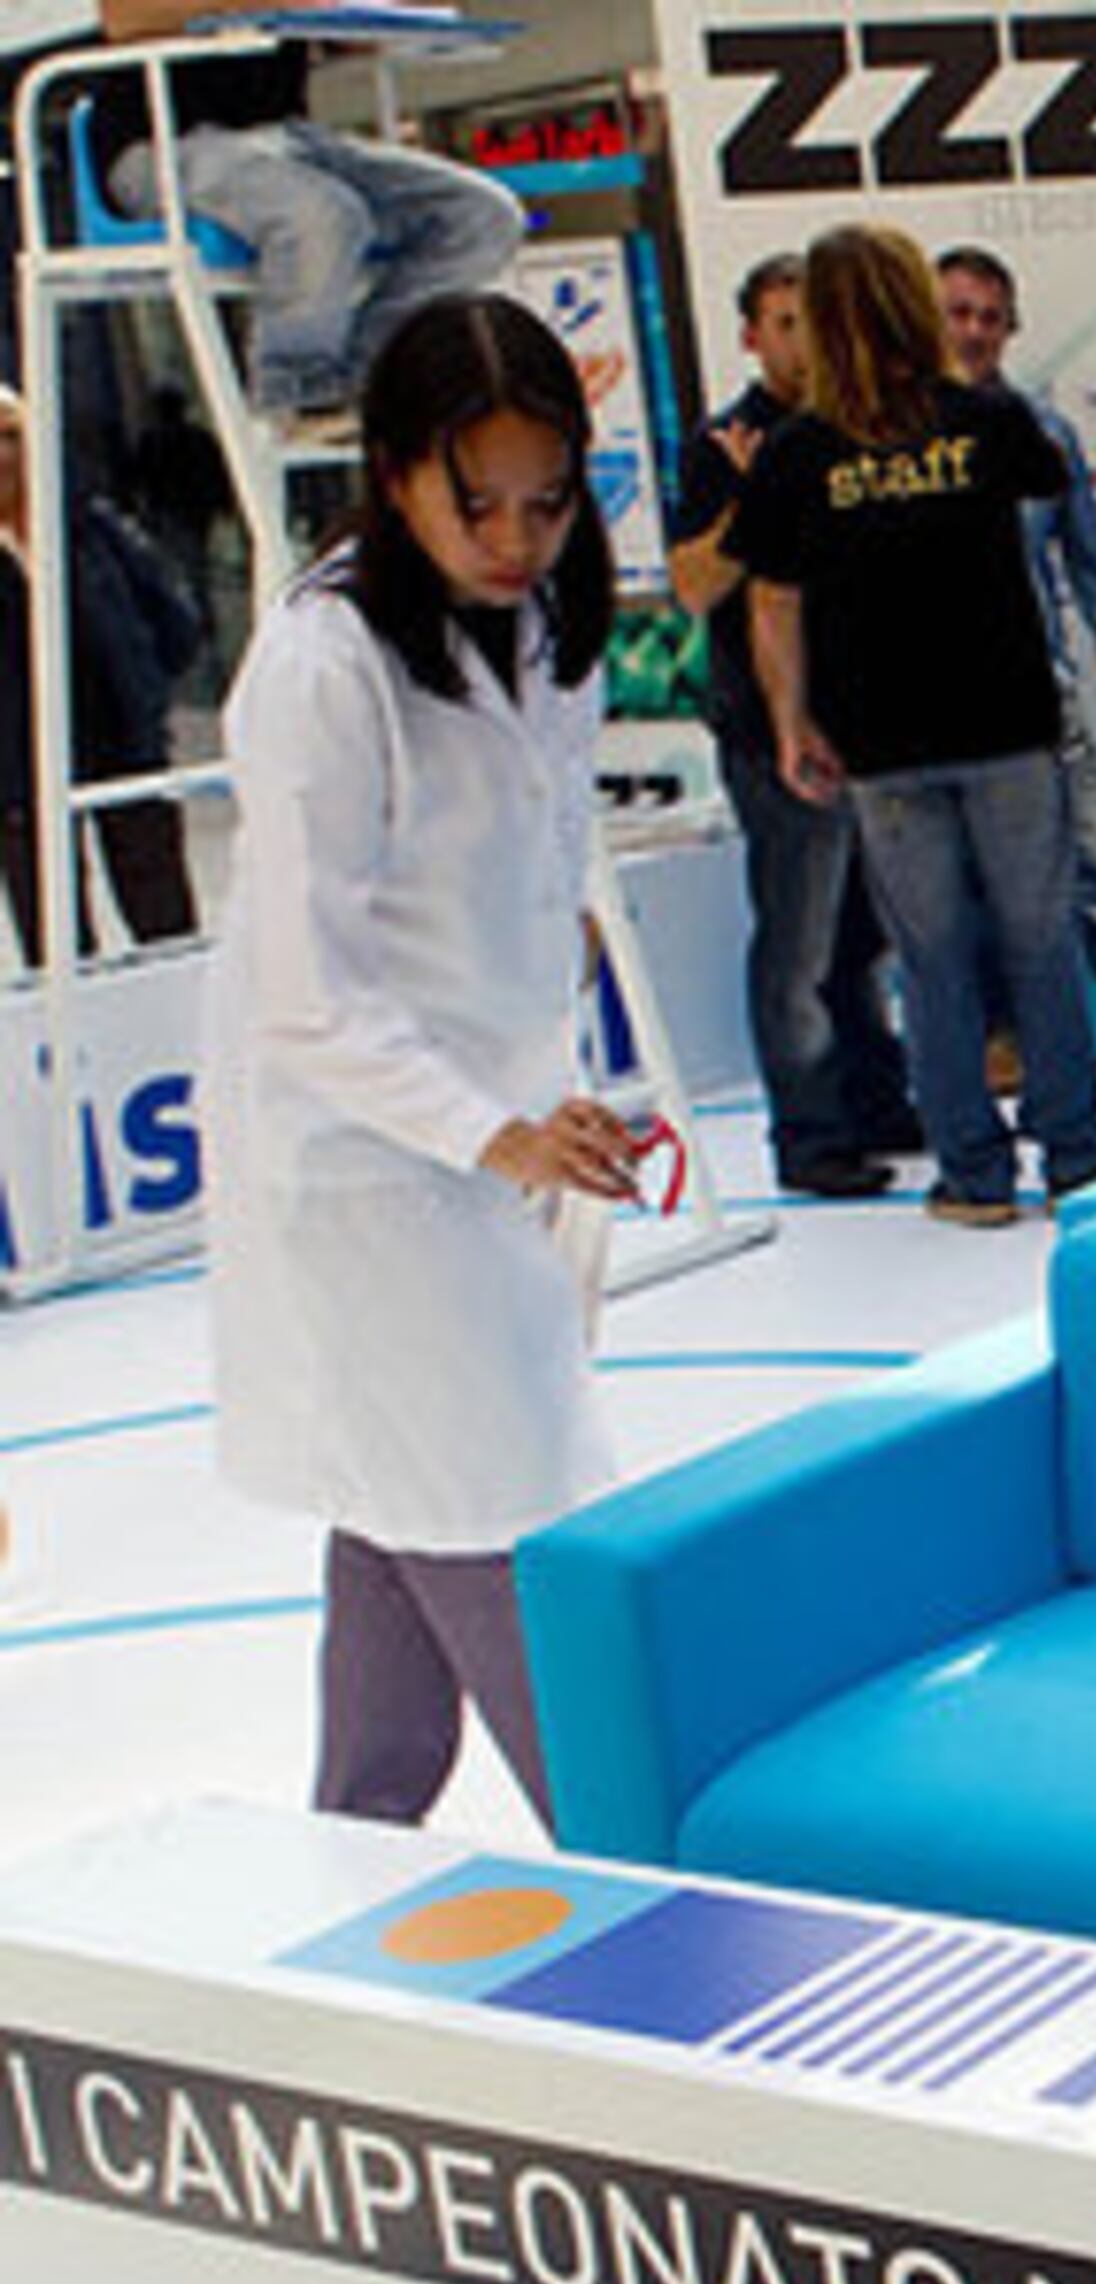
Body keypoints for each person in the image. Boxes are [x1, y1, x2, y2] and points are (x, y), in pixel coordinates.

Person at [200, 294, 628, 1828]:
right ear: (392, 475)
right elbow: (309, 999)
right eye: (477, 501)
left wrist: (551, 1085)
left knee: (402, 1506)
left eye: (548, 498)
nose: (516, 536)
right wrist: (499, 1131)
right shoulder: (324, 665)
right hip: (367, 1155)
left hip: (494, 1124)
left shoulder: (543, 619)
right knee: (494, 1497)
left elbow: (535, 868)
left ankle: (356, 1831)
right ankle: (621, 1848)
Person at [737, 224, 1096, 1227]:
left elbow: (771, 599)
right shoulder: (982, 418)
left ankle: (974, 1175)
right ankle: (1077, 1153)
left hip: (884, 744)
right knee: (1038, 942)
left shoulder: (797, 450)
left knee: (932, 959)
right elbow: (1047, 479)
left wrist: (791, 720)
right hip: (1004, 726)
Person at [667, 253, 918, 1200]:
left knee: (863, 936)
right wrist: (754, 498)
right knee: (800, 940)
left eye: (812, 320)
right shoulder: (725, 443)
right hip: (767, 728)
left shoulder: (856, 428)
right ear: (749, 335)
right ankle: (810, 1135)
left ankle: (878, 1104)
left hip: (868, 724)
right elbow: (695, 585)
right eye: (782, 324)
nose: (802, 343)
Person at [935, 244, 1096, 1087]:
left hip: (1040, 687)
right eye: (957, 312)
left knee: (1094, 855)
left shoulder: (1044, 433)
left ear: (1010, 329)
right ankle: (998, 1034)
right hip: (935, 702)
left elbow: (1093, 566)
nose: (974, 331)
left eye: (989, 316)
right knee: (971, 878)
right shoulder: (890, 439)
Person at [92, 2, 522, 427]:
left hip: (286, 137)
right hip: (163, 142)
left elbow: (343, 38)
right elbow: (122, 17)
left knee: (481, 216)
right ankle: (297, 390)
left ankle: (372, 377)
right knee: (326, 216)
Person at [0, 382, 202, 962]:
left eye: (12, 436)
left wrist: (144, 691)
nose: (5, 456)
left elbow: (173, 620)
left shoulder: (89, 528)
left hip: (121, 742)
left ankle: (179, 1039)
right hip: (21, 770)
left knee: (164, 923)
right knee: (56, 942)